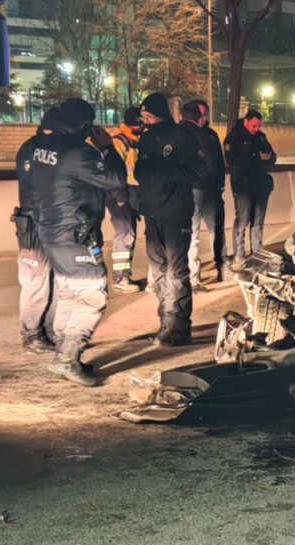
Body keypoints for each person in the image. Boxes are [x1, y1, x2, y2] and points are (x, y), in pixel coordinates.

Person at [34, 98, 126, 385]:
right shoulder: (80, 152)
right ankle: (66, 359)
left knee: (68, 292)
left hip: (49, 230)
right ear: (86, 125)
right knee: (91, 294)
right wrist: (108, 148)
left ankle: (64, 348)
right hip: (76, 234)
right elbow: (115, 181)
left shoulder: (42, 147)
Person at [136, 92, 206, 347]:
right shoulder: (145, 138)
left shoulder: (182, 137)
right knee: (158, 271)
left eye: (150, 116)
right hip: (152, 211)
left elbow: (199, 169)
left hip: (176, 210)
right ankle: (166, 322)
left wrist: (167, 172)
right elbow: (140, 170)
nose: (146, 120)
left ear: (161, 114)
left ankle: (179, 326)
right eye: (143, 116)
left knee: (176, 272)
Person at [14, 107, 60, 354]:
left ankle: (49, 333)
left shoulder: (34, 146)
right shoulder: (36, 150)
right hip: (35, 224)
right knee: (36, 282)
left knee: (52, 282)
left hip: (47, 223)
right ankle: (32, 335)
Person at [225, 110, 276, 269]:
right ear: (246, 121)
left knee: (258, 221)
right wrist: (255, 156)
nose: (255, 128)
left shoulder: (260, 137)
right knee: (242, 220)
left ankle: (257, 253)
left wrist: (268, 157)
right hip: (243, 185)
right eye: (253, 125)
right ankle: (239, 255)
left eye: (258, 126)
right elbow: (232, 159)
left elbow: (273, 155)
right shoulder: (234, 137)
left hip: (260, 185)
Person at [188, 99, 231, 284]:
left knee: (217, 230)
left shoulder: (211, 134)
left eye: (206, 113)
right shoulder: (185, 133)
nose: (204, 117)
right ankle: (193, 275)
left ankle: (222, 265)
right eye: (201, 113)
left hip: (212, 190)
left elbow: (219, 162)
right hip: (194, 190)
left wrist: (220, 184)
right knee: (192, 232)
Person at [107, 106, 143, 294]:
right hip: (120, 196)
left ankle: (124, 275)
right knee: (124, 235)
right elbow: (114, 172)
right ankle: (119, 278)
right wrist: (120, 197)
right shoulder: (119, 141)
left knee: (129, 236)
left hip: (130, 194)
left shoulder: (133, 139)